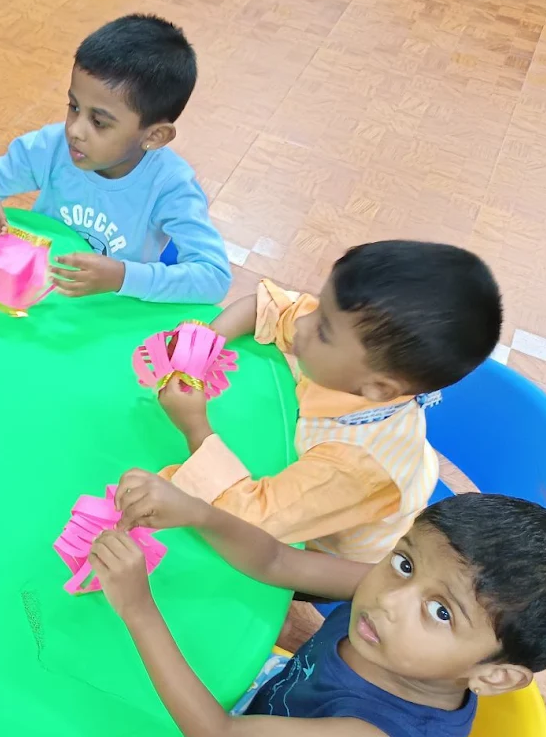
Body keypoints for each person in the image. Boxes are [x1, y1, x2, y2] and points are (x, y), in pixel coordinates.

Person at [90, 472, 546, 737]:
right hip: (276, 705)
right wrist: (196, 511)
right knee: (185, 659)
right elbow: (278, 563)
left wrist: (138, 608)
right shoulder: (395, 598)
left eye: (440, 612)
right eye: (405, 561)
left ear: (494, 675)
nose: (389, 598)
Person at [158, 241, 501, 562]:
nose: (304, 323)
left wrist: (195, 427)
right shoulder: (355, 360)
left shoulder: (355, 465)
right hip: (316, 472)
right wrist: (205, 345)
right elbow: (272, 308)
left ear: (379, 389)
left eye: (323, 329)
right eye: (321, 308)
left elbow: (250, 524)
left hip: (334, 554)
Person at [0, 14, 231, 305]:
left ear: (154, 136)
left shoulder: (170, 187)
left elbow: (214, 277)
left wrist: (121, 277)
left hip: (107, 314)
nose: (74, 130)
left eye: (99, 122)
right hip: (41, 302)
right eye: (74, 107)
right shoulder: (50, 148)